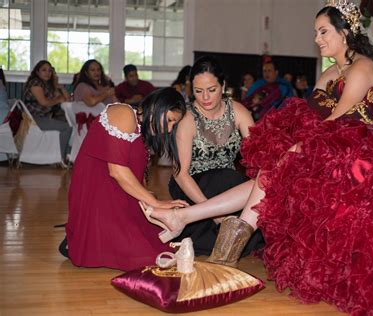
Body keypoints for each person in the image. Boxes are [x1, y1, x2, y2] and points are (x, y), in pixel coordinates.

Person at [144, 3, 373, 314]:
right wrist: (291, 143)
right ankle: (204, 236)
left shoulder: (363, 68)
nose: (317, 38)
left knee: (278, 168)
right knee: (272, 168)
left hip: (364, 156)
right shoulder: (331, 71)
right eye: (316, 32)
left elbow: (337, 121)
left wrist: (297, 148)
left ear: (345, 32)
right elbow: (311, 117)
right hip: (333, 148)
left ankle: (202, 233)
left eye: (323, 31)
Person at [66, 87, 188, 271]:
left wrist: (153, 202)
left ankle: (83, 237)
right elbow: (117, 171)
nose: (169, 129)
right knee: (146, 257)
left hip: (118, 193)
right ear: (156, 107)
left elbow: (135, 175)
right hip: (97, 195)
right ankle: (83, 235)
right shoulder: (123, 113)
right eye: (170, 120)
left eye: (173, 125)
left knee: (159, 247)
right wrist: (155, 203)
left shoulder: (144, 131)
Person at [168, 56, 264, 256]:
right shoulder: (187, 118)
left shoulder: (238, 111)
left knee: (250, 185)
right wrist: (212, 212)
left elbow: (259, 153)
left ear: (223, 85)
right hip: (191, 186)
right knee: (227, 179)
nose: (205, 98)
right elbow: (180, 174)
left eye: (211, 90)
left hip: (226, 185)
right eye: (198, 91)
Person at [23, 60, 72, 161]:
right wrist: (58, 99)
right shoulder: (35, 83)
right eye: (44, 70)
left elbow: (67, 100)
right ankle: (60, 158)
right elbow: (43, 102)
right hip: (34, 118)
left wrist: (59, 86)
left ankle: (64, 156)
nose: (47, 73)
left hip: (45, 116)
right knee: (67, 128)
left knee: (70, 122)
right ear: (37, 72)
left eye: (50, 71)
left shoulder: (48, 85)